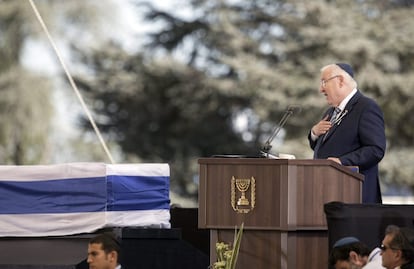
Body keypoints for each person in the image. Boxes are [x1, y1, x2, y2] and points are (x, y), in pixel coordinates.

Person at [308, 63, 386, 203]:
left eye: (324, 82)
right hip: (327, 194)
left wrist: (342, 162)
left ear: (340, 80)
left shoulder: (366, 107)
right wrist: (314, 133)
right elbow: (325, 149)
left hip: (355, 197)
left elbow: (375, 150)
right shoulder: (330, 112)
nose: (321, 89)